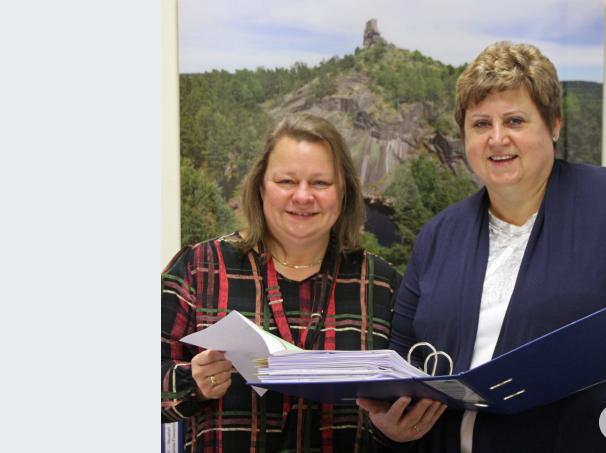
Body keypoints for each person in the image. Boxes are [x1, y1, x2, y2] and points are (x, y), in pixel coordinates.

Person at [358, 41, 606, 451]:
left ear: (555, 125)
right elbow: (401, 365)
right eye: (480, 124)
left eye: (514, 120)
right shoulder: (439, 236)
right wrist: (392, 428)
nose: (496, 139)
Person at [161, 114, 423, 452]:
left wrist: (396, 431)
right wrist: (191, 382)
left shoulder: (381, 284)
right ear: (261, 186)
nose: (302, 196)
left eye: (320, 183)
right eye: (286, 181)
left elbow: (413, 396)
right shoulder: (199, 267)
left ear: (343, 192)